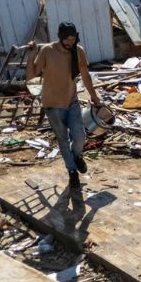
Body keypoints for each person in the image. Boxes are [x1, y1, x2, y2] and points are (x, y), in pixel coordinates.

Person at [26, 22, 101, 190]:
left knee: (80, 136)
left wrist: (94, 97)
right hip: (52, 104)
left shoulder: (78, 51)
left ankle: (77, 156)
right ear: (60, 38)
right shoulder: (47, 51)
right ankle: (72, 172)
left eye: (73, 40)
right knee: (63, 139)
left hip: (71, 101)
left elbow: (85, 75)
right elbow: (32, 75)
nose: (70, 44)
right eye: (67, 41)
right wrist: (31, 55)